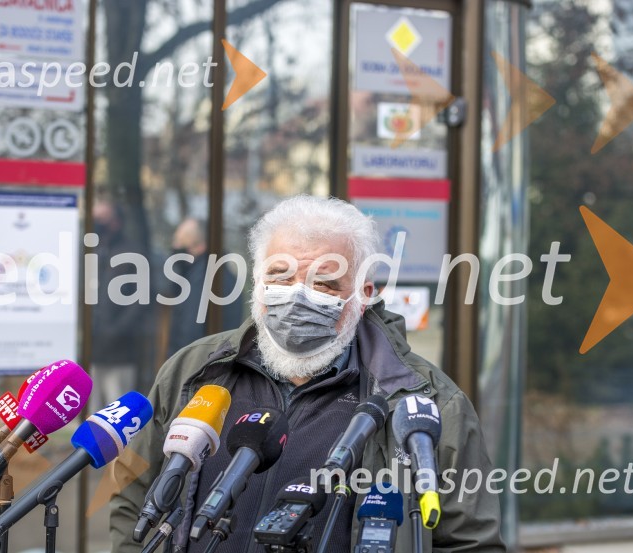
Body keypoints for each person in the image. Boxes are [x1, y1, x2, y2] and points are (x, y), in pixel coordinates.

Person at [109, 196, 505, 552]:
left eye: (324, 283)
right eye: (280, 277)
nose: (297, 296)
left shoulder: (427, 402)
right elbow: (134, 493)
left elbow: (469, 543)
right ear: (257, 284)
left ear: (364, 295)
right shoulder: (193, 370)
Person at [90, 199, 149, 409]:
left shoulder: (132, 252)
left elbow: (141, 300)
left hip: (120, 349)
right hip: (91, 348)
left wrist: (116, 331)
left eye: (102, 218)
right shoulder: (92, 250)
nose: (97, 223)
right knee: (91, 409)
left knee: (118, 411)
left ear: (116, 221)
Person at [164, 217, 243, 357]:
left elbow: (190, 333)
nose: (174, 246)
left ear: (199, 245)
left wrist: (178, 365)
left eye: (179, 242)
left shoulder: (202, 277)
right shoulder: (219, 272)